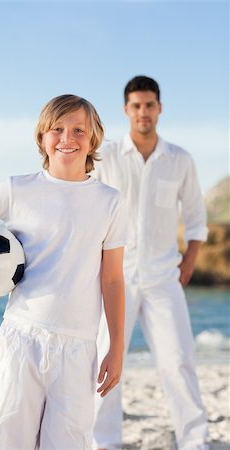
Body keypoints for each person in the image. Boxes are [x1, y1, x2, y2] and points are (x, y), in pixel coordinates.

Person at [0, 94, 128, 450]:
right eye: (57, 129)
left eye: (78, 130)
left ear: (93, 139)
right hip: (22, 336)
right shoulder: (17, 189)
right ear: (42, 137)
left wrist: (115, 347)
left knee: (68, 442)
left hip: (79, 345)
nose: (67, 138)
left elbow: (113, 278)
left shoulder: (110, 202)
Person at [93, 76, 209, 450]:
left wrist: (189, 261)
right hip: (115, 277)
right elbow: (86, 207)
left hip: (163, 277)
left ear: (160, 108)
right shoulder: (106, 156)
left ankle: (195, 441)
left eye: (149, 105)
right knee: (106, 363)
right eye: (136, 106)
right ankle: (103, 442)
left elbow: (195, 219)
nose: (143, 112)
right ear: (126, 110)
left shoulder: (180, 159)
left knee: (178, 362)